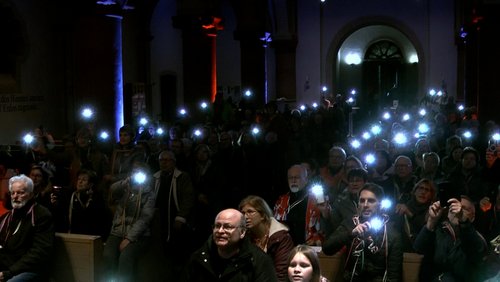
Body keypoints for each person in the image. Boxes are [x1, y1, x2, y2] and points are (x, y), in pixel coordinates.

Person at [322, 183, 403, 282]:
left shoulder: (391, 232)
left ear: (380, 204)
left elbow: (394, 276)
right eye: (362, 200)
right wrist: (351, 234)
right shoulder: (351, 223)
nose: (365, 205)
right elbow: (327, 249)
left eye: (371, 201)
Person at [184, 208, 278, 281]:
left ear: (242, 232)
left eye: (227, 227)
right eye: (217, 226)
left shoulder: (259, 261)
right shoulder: (199, 258)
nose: (220, 231)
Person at [413, 195, 488, 281]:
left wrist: (463, 220)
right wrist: (431, 221)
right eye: (454, 207)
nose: (458, 211)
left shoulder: (477, 238)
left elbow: (476, 253)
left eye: (464, 208)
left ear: (473, 217)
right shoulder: (438, 231)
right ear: (448, 213)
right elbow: (418, 249)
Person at [102, 164, 156, 282]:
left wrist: (129, 238)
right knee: (108, 256)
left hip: (139, 235)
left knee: (126, 257)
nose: (137, 175)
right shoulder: (125, 188)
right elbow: (112, 190)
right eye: (134, 172)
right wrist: (125, 182)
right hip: (118, 230)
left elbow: (145, 219)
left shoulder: (149, 194)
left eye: (140, 173)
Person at [0, 175, 55, 281]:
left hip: (29, 269)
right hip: (6, 267)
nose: (15, 196)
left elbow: (39, 252)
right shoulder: (6, 218)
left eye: (20, 193)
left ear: (30, 194)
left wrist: (9, 272)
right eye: (13, 193)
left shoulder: (42, 215)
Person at [152, 150, 196, 277]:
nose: (164, 163)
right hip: (159, 215)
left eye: (167, 160)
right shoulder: (155, 177)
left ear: (173, 162)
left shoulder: (182, 177)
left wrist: (181, 216)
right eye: (161, 160)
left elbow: (188, 198)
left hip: (175, 215)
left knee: (177, 243)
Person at [239, 195, 294, 281]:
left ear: (263, 215)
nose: (245, 217)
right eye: (243, 213)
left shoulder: (281, 237)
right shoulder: (244, 237)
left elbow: (281, 274)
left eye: (250, 212)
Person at [274, 164, 325, 246]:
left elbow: (325, 224)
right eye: (290, 178)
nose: (293, 180)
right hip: (285, 246)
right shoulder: (281, 201)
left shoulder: (316, 199)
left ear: (306, 179)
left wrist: (325, 213)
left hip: (309, 246)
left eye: (297, 177)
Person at [392, 178, 436, 252]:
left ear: (431, 195)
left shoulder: (432, 211)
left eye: (427, 190)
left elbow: (424, 227)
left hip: (423, 250)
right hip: (403, 249)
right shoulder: (405, 206)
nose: (423, 192)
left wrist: (409, 214)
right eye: (421, 188)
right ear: (415, 191)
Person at [67, 169, 111, 240]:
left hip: (91, 236)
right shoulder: (72, 196)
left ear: (90, 184)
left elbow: (99, 221)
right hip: (74, 234)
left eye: (84, 180)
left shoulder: (97, 198)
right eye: (79, 179)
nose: (80, 182)